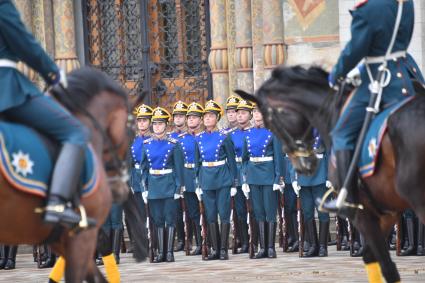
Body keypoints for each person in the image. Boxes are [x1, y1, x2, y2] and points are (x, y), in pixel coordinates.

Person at [324, 0, 425, 214]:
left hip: (379, 80)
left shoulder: (367, 9)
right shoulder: (405, 3)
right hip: (407, 77)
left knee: (342, 132)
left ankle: (347, 197)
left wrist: (337, 74)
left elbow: (355, 51)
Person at [0, 0, 92, 227]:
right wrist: (52, 73)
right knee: (75, 131)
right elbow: (23, 42)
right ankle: (57, 203)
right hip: (5, 87)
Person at [141, 107, 185, 263]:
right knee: (158, 219)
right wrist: (145, 188)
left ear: (166, 125)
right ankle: (160, 252)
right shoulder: (146, 144)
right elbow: (144, 168)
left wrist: (178, 188)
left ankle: (169, 252)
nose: (157, 127)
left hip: (168, 184)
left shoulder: (174, 144)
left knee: (170, 218)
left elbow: (179, 168)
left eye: (160, 124)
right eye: (155, 124)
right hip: (153, 185)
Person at [195, 100, 238, 260]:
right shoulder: (198, 139)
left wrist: (234, 182)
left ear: (217, 118)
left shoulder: (224, 137)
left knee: (224, 213)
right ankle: (215, 248)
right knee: (211, 215)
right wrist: (198, 183)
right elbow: (198, 164)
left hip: (222, 178)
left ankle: (223, 249)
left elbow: (232, 161)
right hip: (206, 179)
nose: (207, 118)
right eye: (205, 116)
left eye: (211, 116)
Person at [241, 104, 282, 259]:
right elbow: (244, 159)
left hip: (268, 175)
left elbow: (278, 157)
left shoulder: (273, 132)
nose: (258, 114)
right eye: (255, 111)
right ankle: (262, 247)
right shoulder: (248, 133)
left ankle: (271, 247)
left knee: (270, 211)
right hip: (253, 175)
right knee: (258, 211)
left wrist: (278, 178)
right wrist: (245, 176)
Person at [292, 130, 330, 257]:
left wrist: (330, 176)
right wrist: (293, 178)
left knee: (322, 212)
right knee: (307, 212)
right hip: (303, 175)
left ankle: (323, 246)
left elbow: (330, 153)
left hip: (319, 173)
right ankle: (314, 245)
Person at [178, 102, 205, 255]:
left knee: (207, 211)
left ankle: (210, 240)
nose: (191, 120)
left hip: (202, 175)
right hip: (187, 177)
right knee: (193, 212)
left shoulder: (202, 137)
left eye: (195, 117)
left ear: (200, 120)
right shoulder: (182, 138)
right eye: (189, 118)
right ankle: (199, 243)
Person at [229, 99, 254, 253]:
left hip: (252, 171)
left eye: (243, 113)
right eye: (237, 113)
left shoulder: (255, 132)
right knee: (239, 209)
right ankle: (244, 241)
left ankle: (255, 239)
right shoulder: (231, 134)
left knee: (254, 208)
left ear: (250, 115)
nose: (239, 116)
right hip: (237, 172)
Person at [169, 100, 189, 252]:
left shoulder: (192, 136)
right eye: (176, 116)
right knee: (176, 211)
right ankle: (180, 239)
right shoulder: (169, 137)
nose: (178, 119)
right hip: (174, 177)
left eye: (181, 116)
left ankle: (192, 237)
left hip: (189, 175)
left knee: (190, 209)